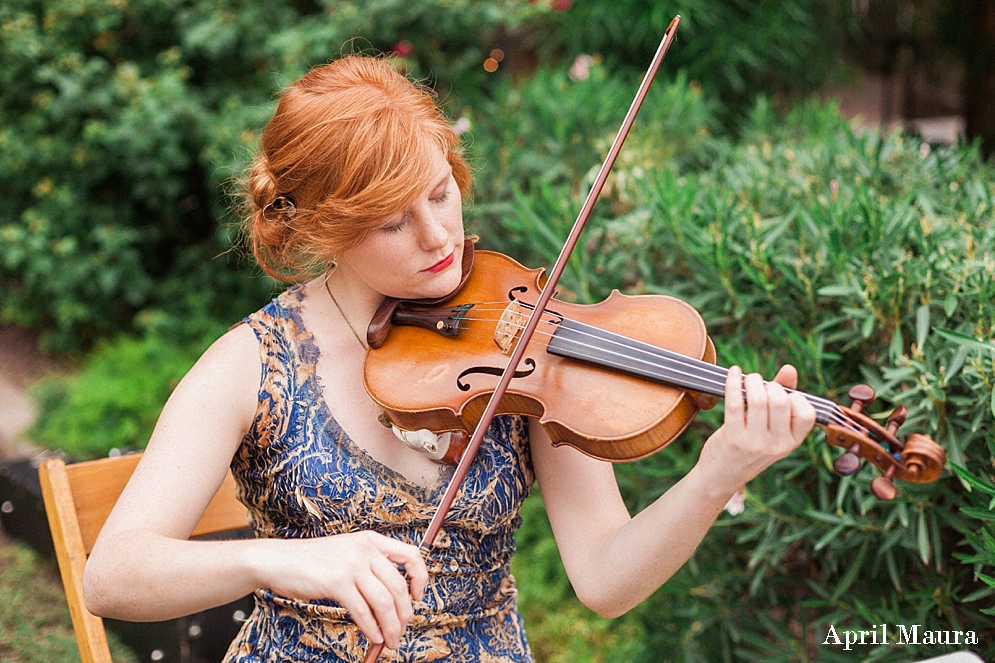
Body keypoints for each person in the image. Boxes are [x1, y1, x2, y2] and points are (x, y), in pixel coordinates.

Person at [82, 55, 817, 662]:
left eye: (441, 193)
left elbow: (604, 578)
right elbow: (112, 575)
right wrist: (274, 560)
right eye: (392, 221)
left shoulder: (521, 332)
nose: (436, 235)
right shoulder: (253, 364)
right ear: (325, 227)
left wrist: (718, 470)